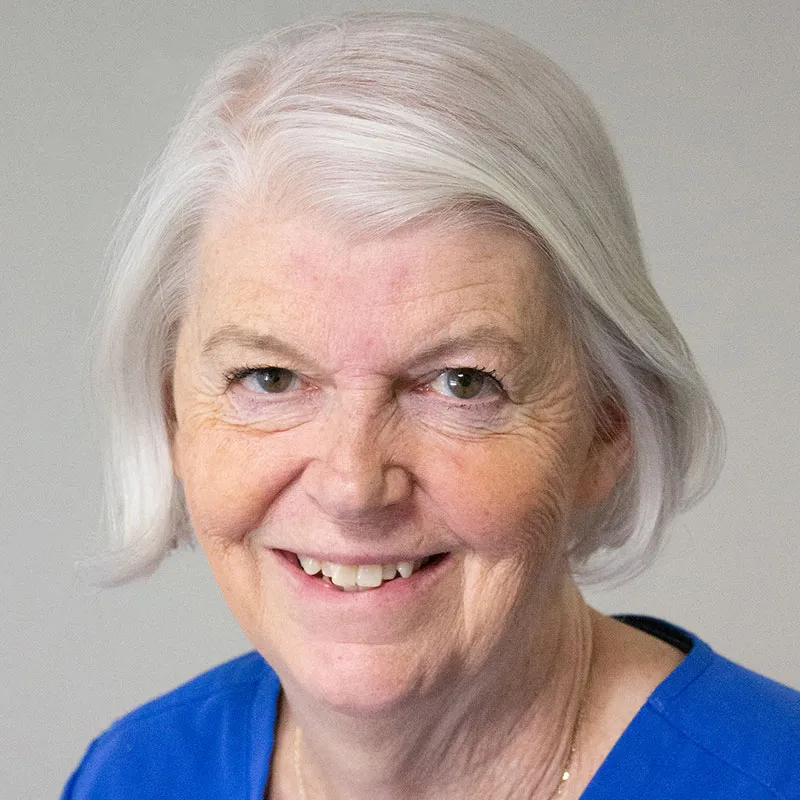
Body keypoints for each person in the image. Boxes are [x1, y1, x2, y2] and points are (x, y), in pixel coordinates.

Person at [62, 12, 799, 800]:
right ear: (172, 415)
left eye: (461, 383)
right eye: (270, 377)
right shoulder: (136, 774)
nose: (352, 485)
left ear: (607, 426)